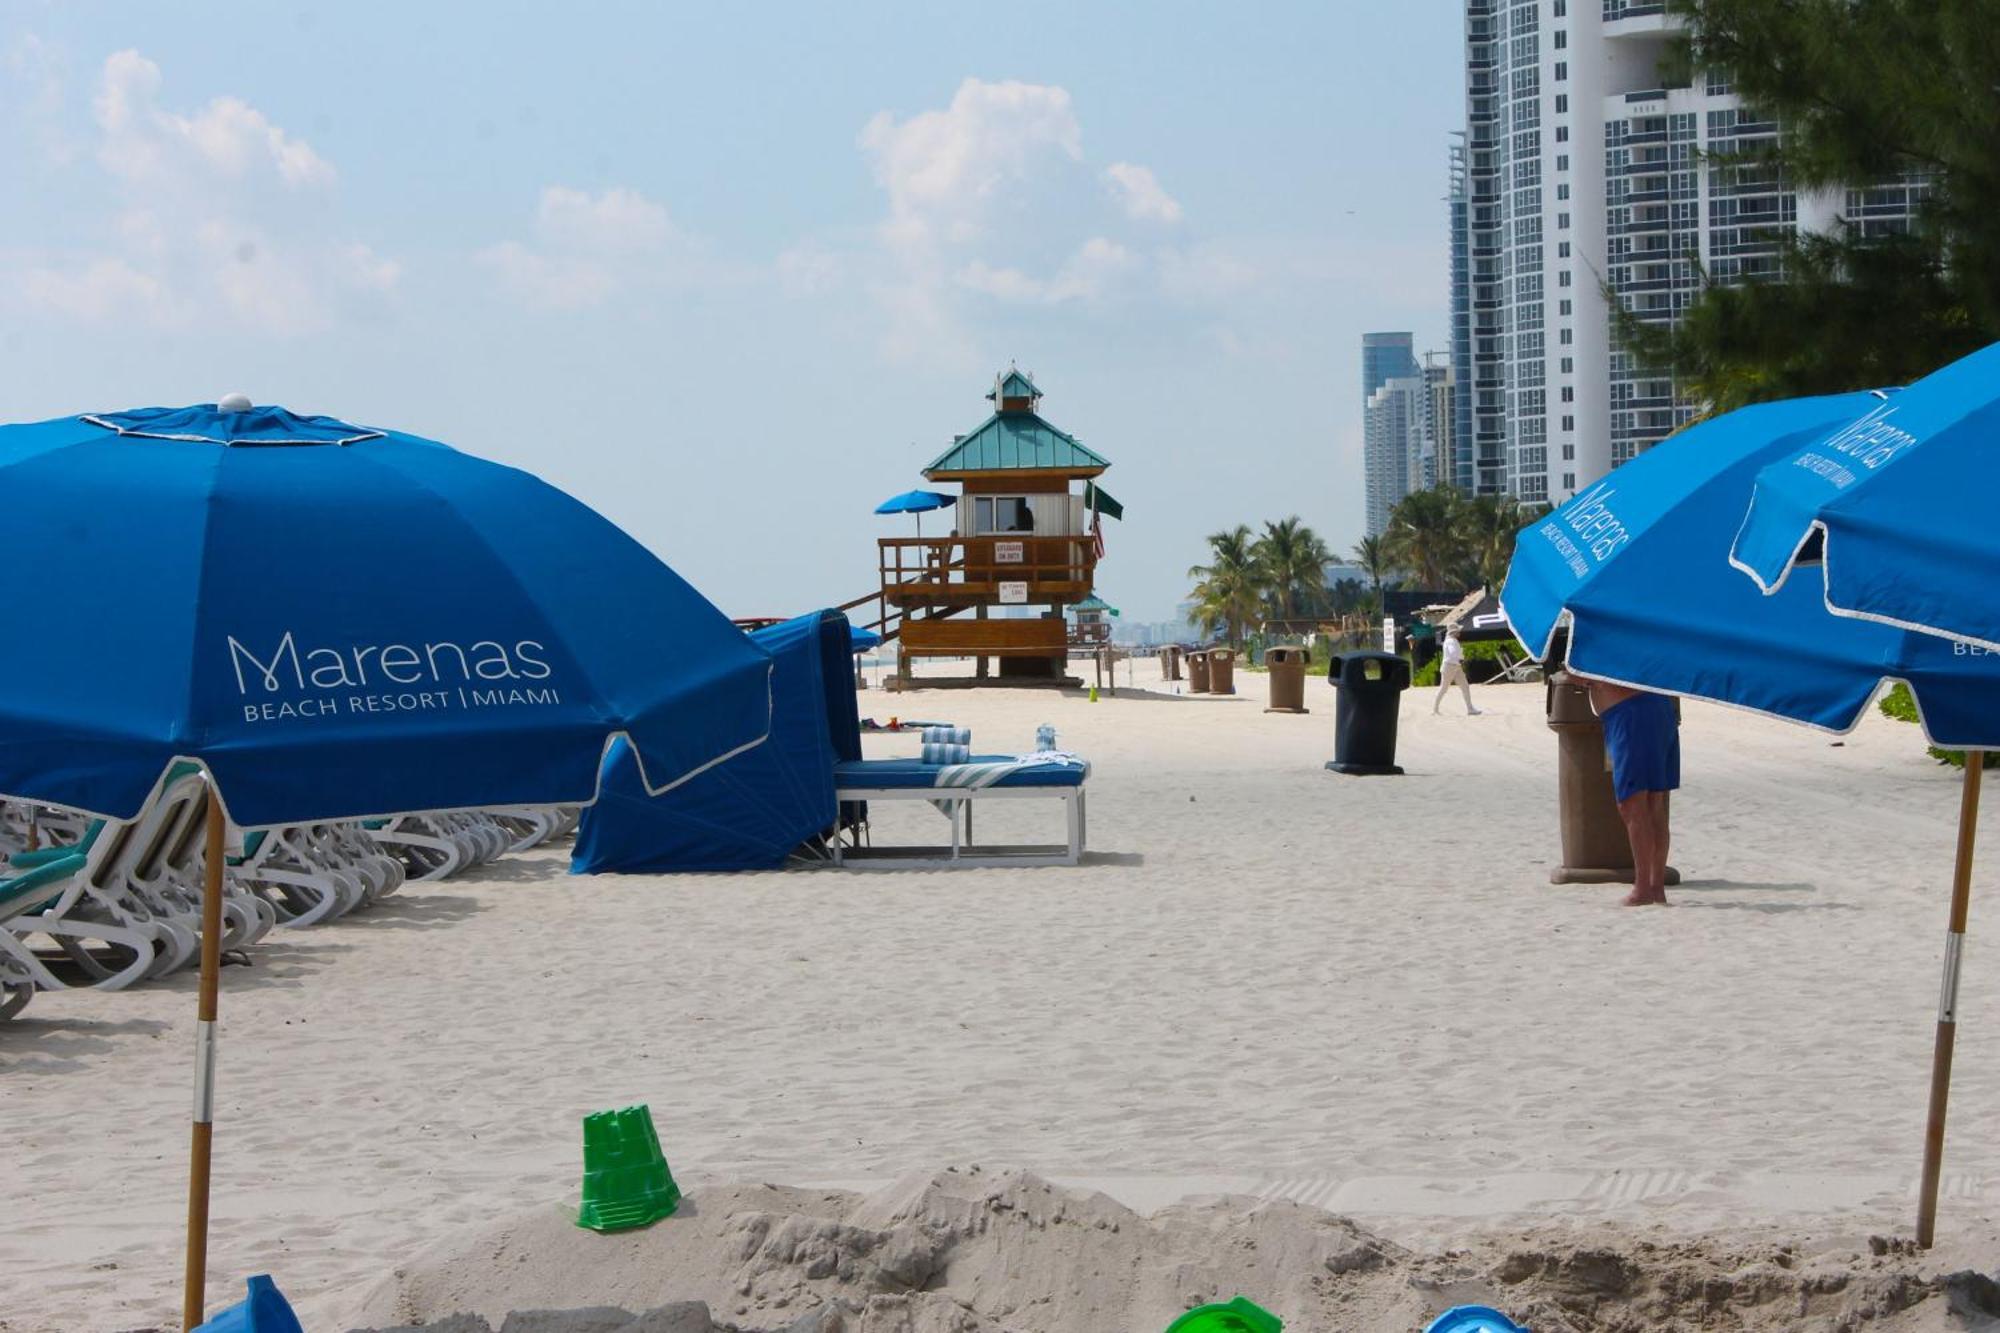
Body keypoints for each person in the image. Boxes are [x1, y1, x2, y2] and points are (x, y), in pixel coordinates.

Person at [1576, 675, 1678, 907]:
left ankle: (1643, 888)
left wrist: (1588, 679)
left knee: (1633, 804)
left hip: (1631, 714)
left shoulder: (1609, 640)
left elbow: (1618, 677)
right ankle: (1655, 887)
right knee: (1654, 802)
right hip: (1651, 709)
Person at [1433, 627, 1482, 715]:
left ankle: (1470, 708)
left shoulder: (1451, 640)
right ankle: (1435, 709)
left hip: (1455, 666)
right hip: (1449, 666)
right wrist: (1460, 658)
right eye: (1458, 631)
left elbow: (1454, 653)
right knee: (1444, 688)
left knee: (1465, 686)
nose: (1459, 632)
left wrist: (1459, 658)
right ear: (1454, 632)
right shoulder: (1451, 641)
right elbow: (1453, 652)